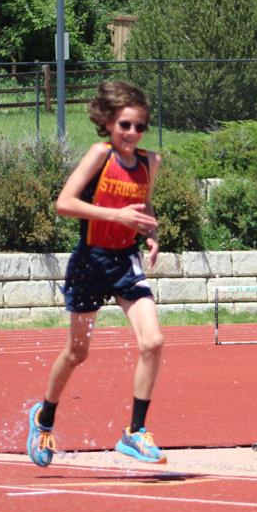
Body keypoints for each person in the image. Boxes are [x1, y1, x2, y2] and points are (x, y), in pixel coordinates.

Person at [26, 80, 167, 467]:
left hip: (125, 261)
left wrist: (151, 233)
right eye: (125, 125)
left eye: (140, 126)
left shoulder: (150, 162)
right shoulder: (99, 155)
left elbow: (144, 204)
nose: (132, 133)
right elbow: (64, 203)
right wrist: (115, 216)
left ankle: (135, 431)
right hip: (90, 261)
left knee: (153, 341)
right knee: (77, 353)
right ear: (108, 123)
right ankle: (44, 418)